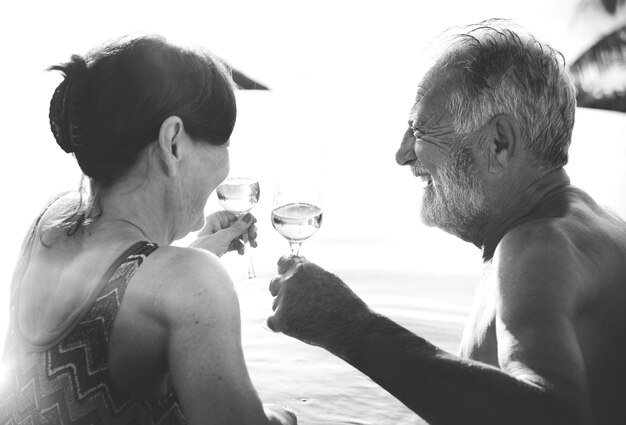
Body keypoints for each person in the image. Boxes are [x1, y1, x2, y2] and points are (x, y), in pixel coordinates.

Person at [267, 19, 626, 425]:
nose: (403, 155)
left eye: (420, 130)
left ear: (499, 143)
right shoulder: (590, 226)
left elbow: (553, 417)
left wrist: (347, 325)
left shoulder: (537, 245)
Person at [0, 35, 296, 425]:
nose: (227, 165)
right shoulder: (193, 284)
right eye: (223, 144)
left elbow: (117, 295)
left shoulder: (50, 224)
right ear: (173, 142)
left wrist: (196, 251)